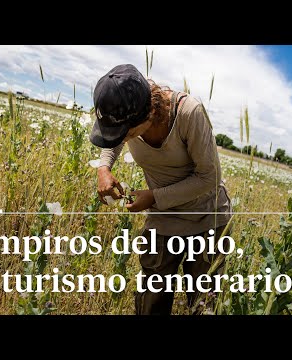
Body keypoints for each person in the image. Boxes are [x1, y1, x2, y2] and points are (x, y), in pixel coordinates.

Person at [89, 64, 232, 315]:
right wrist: (104, 168)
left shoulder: (189, 113)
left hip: (206, 217)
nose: (120, 139)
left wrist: (154, 197)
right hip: (163, 215)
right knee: (151, 299)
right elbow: (113, 140)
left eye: (124, 134)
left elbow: (209, 177)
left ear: (147, 115)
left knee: (203, 304)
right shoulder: (126, 115)